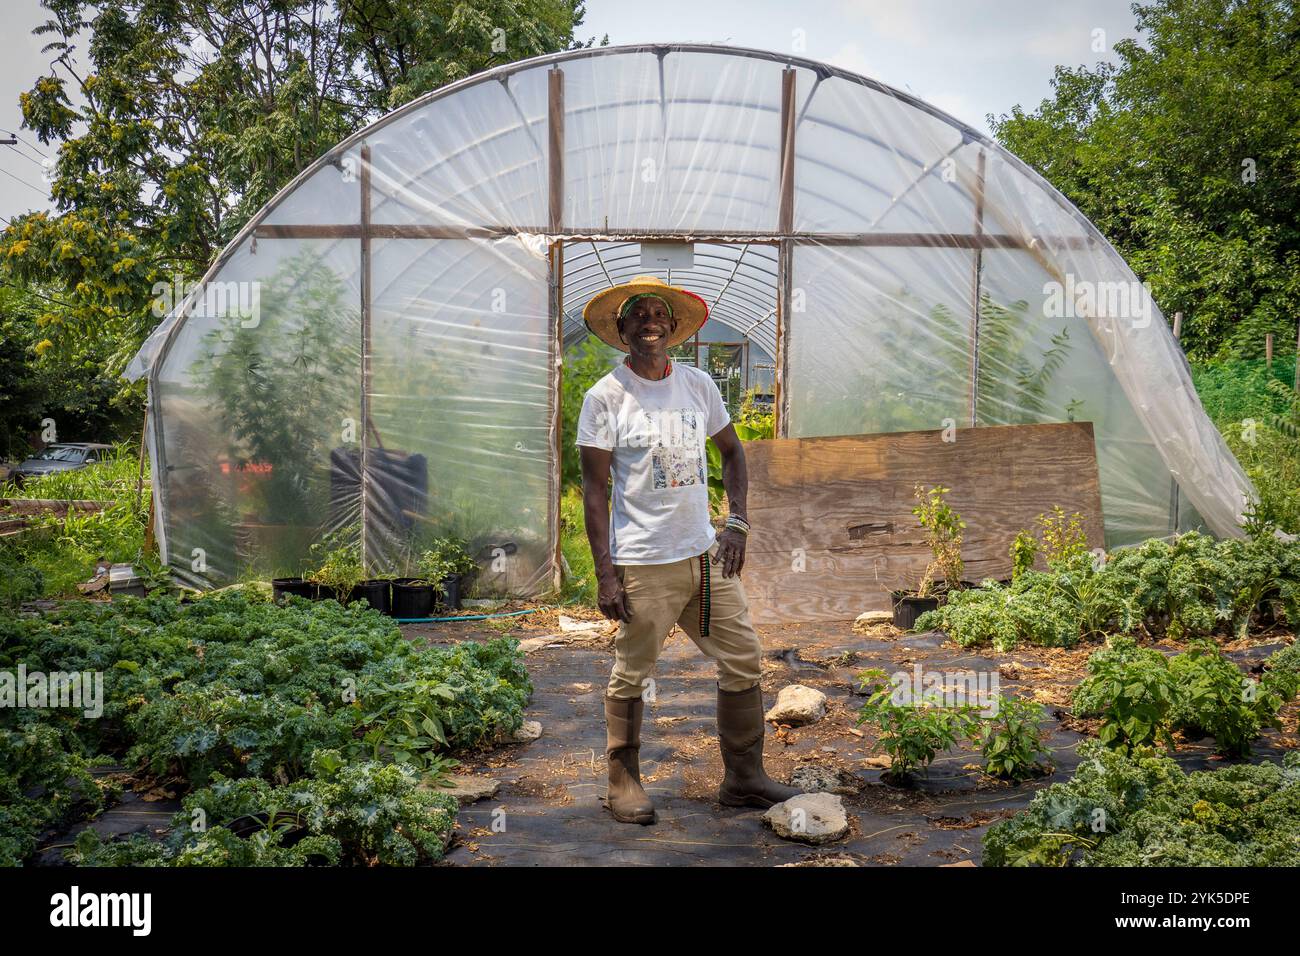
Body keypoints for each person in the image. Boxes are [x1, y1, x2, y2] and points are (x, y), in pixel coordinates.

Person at [575, 275, 800, 825]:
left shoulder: (698, 385)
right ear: (622, 330)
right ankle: (621, 780)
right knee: (633, 672)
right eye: (638, 315)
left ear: (673, 329)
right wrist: (606, 575)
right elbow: (596, 493)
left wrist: (737, 523)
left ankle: (744, 780)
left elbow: (732, 453)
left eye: (659, 315)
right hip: (644, 562)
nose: (650, 322)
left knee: (743, 656)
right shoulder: (605, 397)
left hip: (706, 556)